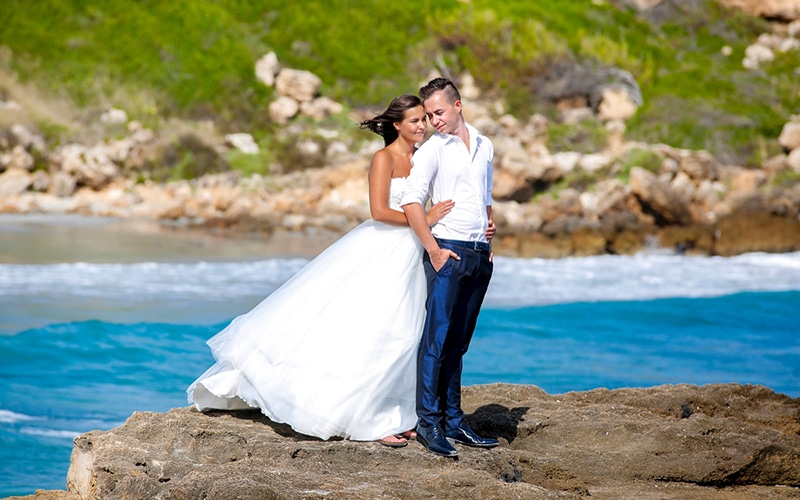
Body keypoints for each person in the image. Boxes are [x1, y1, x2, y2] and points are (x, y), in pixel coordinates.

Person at [187, 95, 453, 447]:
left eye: (424, 119)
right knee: (377, 330)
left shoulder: (423, 157)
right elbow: (378, 211)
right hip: (383, 249)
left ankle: (396, 413)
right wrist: (425, 219)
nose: (422, 126)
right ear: (396, 125)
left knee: (407, 335)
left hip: (415, 251)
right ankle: (366, 419)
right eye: (415, 121)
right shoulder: (383, 158)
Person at [401, 77, 499, 457]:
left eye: (438, 112)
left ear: (458, 106)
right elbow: (411, 201)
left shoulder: (485, 144)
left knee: (458, 343)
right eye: (428, 114)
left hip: (478, 254)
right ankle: (429, 423)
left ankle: (454, 421)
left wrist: (490, 235)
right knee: (437, 341)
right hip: (449, 251)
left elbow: (485, 195)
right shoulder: (432, 150)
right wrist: (435, 251)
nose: (433, 120)